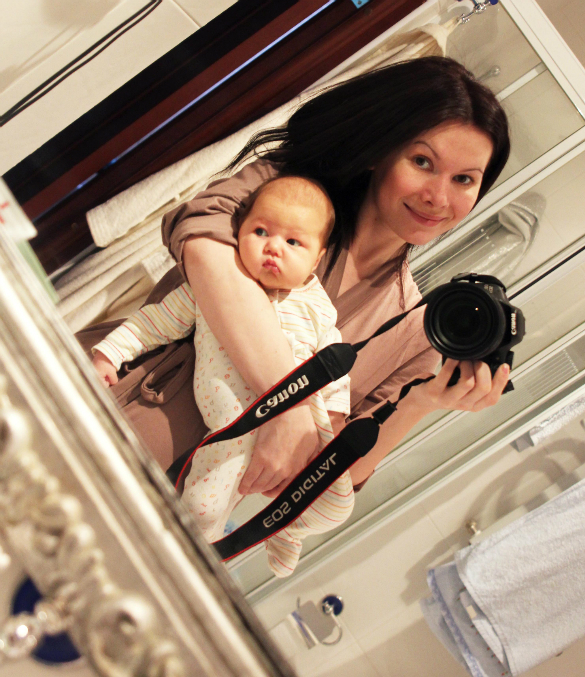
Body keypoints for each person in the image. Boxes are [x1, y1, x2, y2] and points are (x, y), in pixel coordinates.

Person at [157, 56, 512, 507]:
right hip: (123, 417)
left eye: (464, 179)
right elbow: (203, 246)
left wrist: (421, 403)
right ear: (381, 150)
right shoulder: (285, 195)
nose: (439, 198)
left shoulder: (414, 330)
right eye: (422, 161)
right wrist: (288, 405)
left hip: (187, 508)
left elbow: (330, 477)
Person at [92, 176, 353, 577]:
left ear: (316, 259)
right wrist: (109, 354)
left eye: (293, 242)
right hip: (229, 433)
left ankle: (289, 531)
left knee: (337, 505)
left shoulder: (319, 308)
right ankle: (183, 565)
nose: (273, 247)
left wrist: (332, 424)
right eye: (261, 231)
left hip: (303, 430)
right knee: (202, 509)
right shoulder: (219, 283)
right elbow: (155, 322)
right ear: (239, 229)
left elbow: (336, 371)